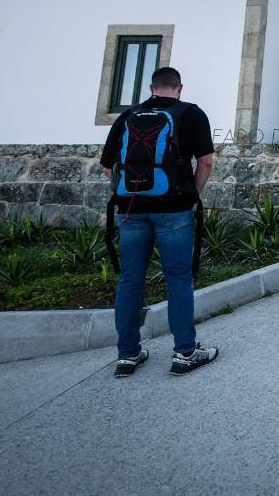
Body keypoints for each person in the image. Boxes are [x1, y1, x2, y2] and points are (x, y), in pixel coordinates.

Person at [101, 66, 220, 377]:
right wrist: (191, 193)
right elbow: (206, 161)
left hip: (131, 209)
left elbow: (108, 166)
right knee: (178, 278)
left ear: (151, 87)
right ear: (179, 88)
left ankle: (127, 355)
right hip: (174, 207)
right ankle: (185, 353)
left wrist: (127, 193)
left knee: (130, 280)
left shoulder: (128, 116)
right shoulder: (190, 114)